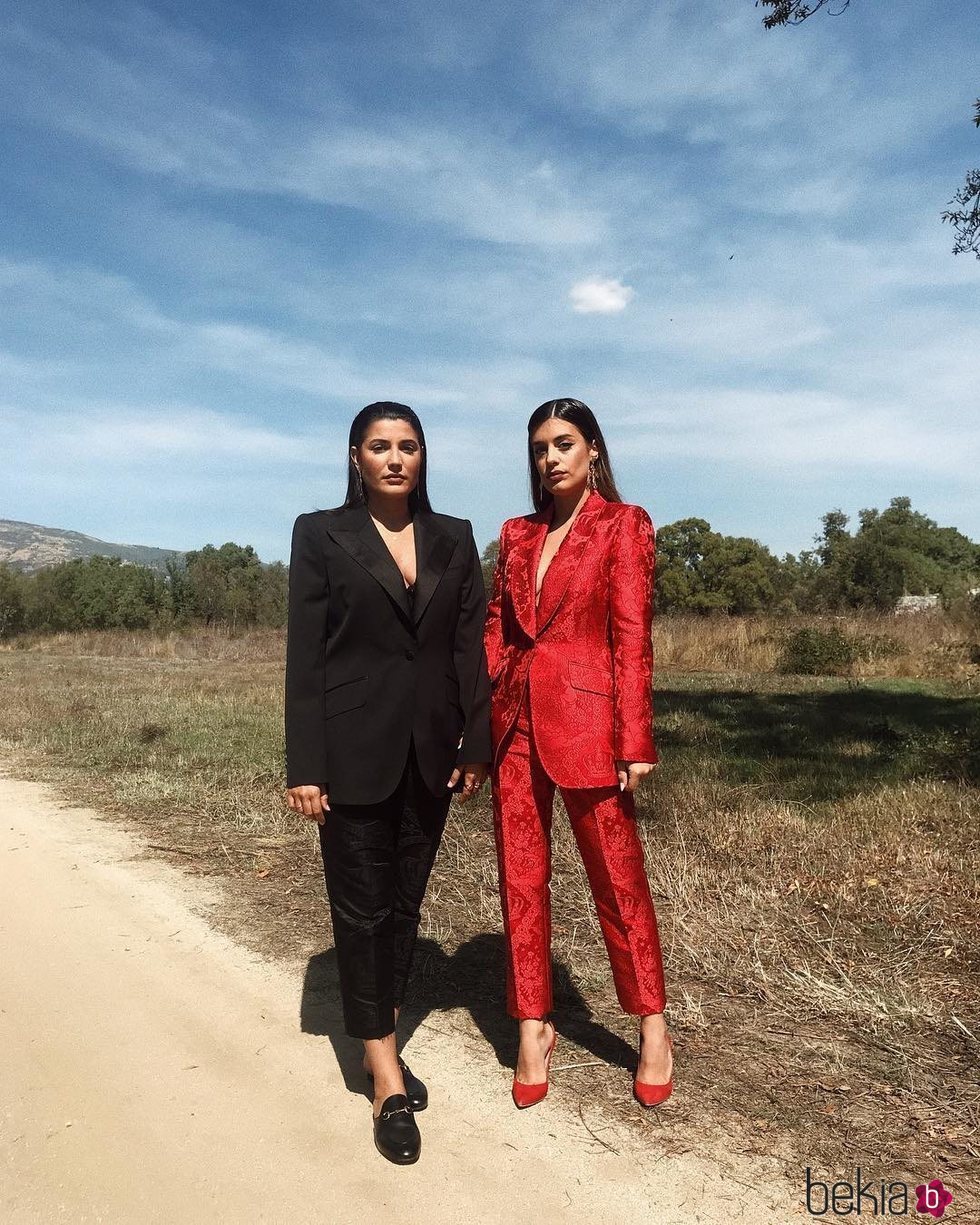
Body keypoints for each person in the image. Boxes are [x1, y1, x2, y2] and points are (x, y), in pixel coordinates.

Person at [285, 401, 490, 1164]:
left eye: (408, 446)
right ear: (355, 457)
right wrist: (304, 764)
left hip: (431, 753)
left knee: (404, 903)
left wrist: (478, 743)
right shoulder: (321, 533)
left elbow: (470, 645)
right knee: (360, 909)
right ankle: (383, 1074)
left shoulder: (455, 537)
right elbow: (305, 657)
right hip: (348, 753)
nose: (396, 458)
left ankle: (385, 1040)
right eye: (381, 446)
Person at [485, 397, 672, 1109]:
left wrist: (634, 738)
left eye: (564, 443)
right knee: (521, 879)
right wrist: (482, 718)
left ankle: (651, 1024)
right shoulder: (516, 533)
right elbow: (499, 631)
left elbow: (631, 635)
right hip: (515, 727)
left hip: (590, 728)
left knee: (619, 883)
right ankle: (532, 1024)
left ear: (593, 449)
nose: (550, 458)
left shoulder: (624, 525)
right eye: (539, 448)